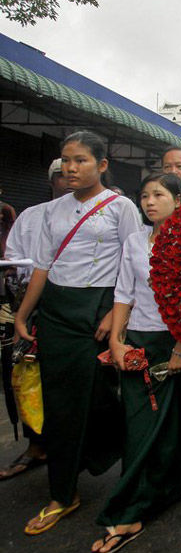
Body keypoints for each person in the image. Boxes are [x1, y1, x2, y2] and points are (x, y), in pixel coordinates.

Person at [14, 131, 143, 535]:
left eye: (81, 160)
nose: (70, 168)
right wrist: (24, 314)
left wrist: (113, 317)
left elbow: (132, 264)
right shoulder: (52, 211)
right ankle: (62, 492)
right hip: (55, 313)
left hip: (97, 312)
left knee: (101, 398)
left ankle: (128, 468)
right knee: (59, 402)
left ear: (102, 165)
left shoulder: (121, 208)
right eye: (66, 160)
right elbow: (43, 265)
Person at [89, 173, 181, 553]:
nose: (149, 202)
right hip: (139, 339)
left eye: (159, 195)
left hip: (176, 341)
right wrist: (117, 340)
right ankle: (129, 510)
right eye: (144, 196)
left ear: (178, 199)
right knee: (141, 425)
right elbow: (125, 291)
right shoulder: (136, 241)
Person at [0, 160, 71, 481]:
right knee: (24, 374)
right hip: (31, 306)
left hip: (73, 308)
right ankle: (36, 444)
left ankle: (71, 446)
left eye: (76, 166)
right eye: (60, 172)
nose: (68, 176)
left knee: (67, 380)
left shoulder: (101, 214)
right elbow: (14, 260)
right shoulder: (30, 217)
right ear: (51, 180)